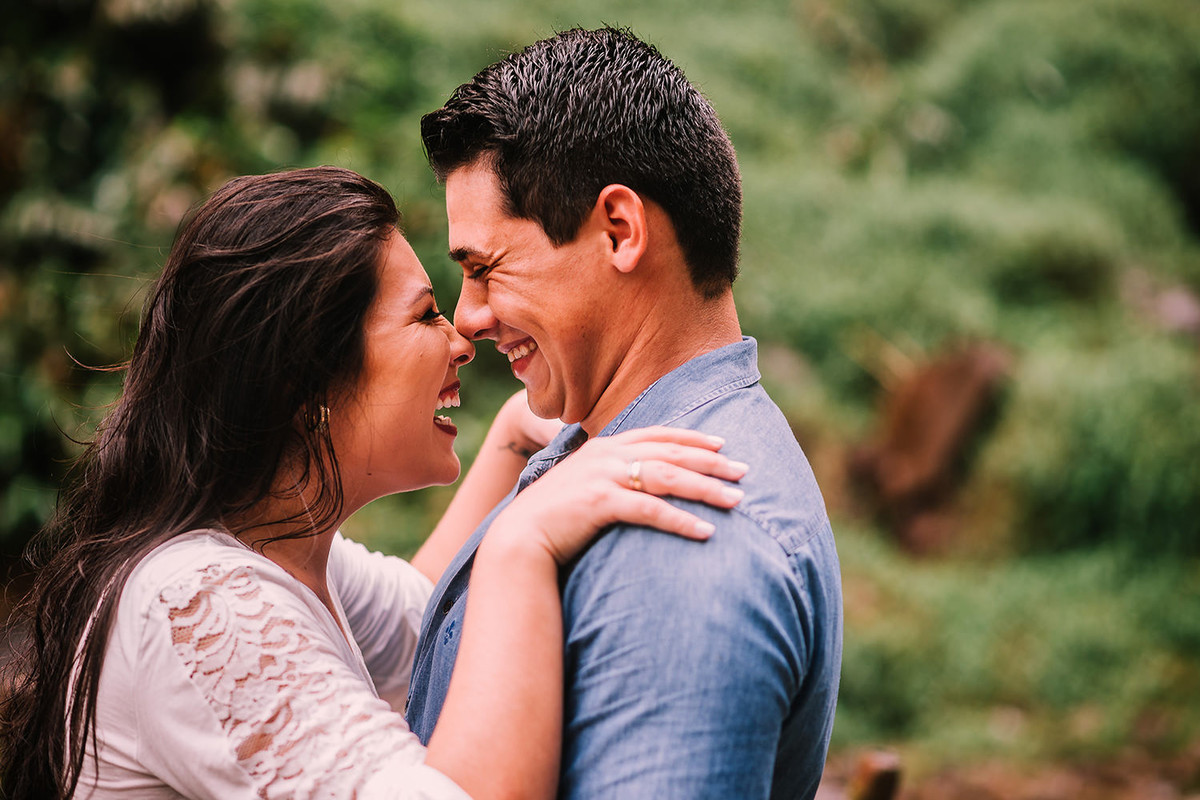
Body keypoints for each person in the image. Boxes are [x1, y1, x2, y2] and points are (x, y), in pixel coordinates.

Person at [0, 166, 749, 800]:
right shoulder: (202, 599)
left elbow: (431, 625)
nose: (462, 339)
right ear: (303, 381)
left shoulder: (273, 549)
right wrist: (524, 540)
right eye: (425, 316)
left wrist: (512, 446)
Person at [406, 27, 844, 800]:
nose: (468, 317)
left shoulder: (684, 544)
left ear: (620, 230)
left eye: (484, 268)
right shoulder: (606, 449)